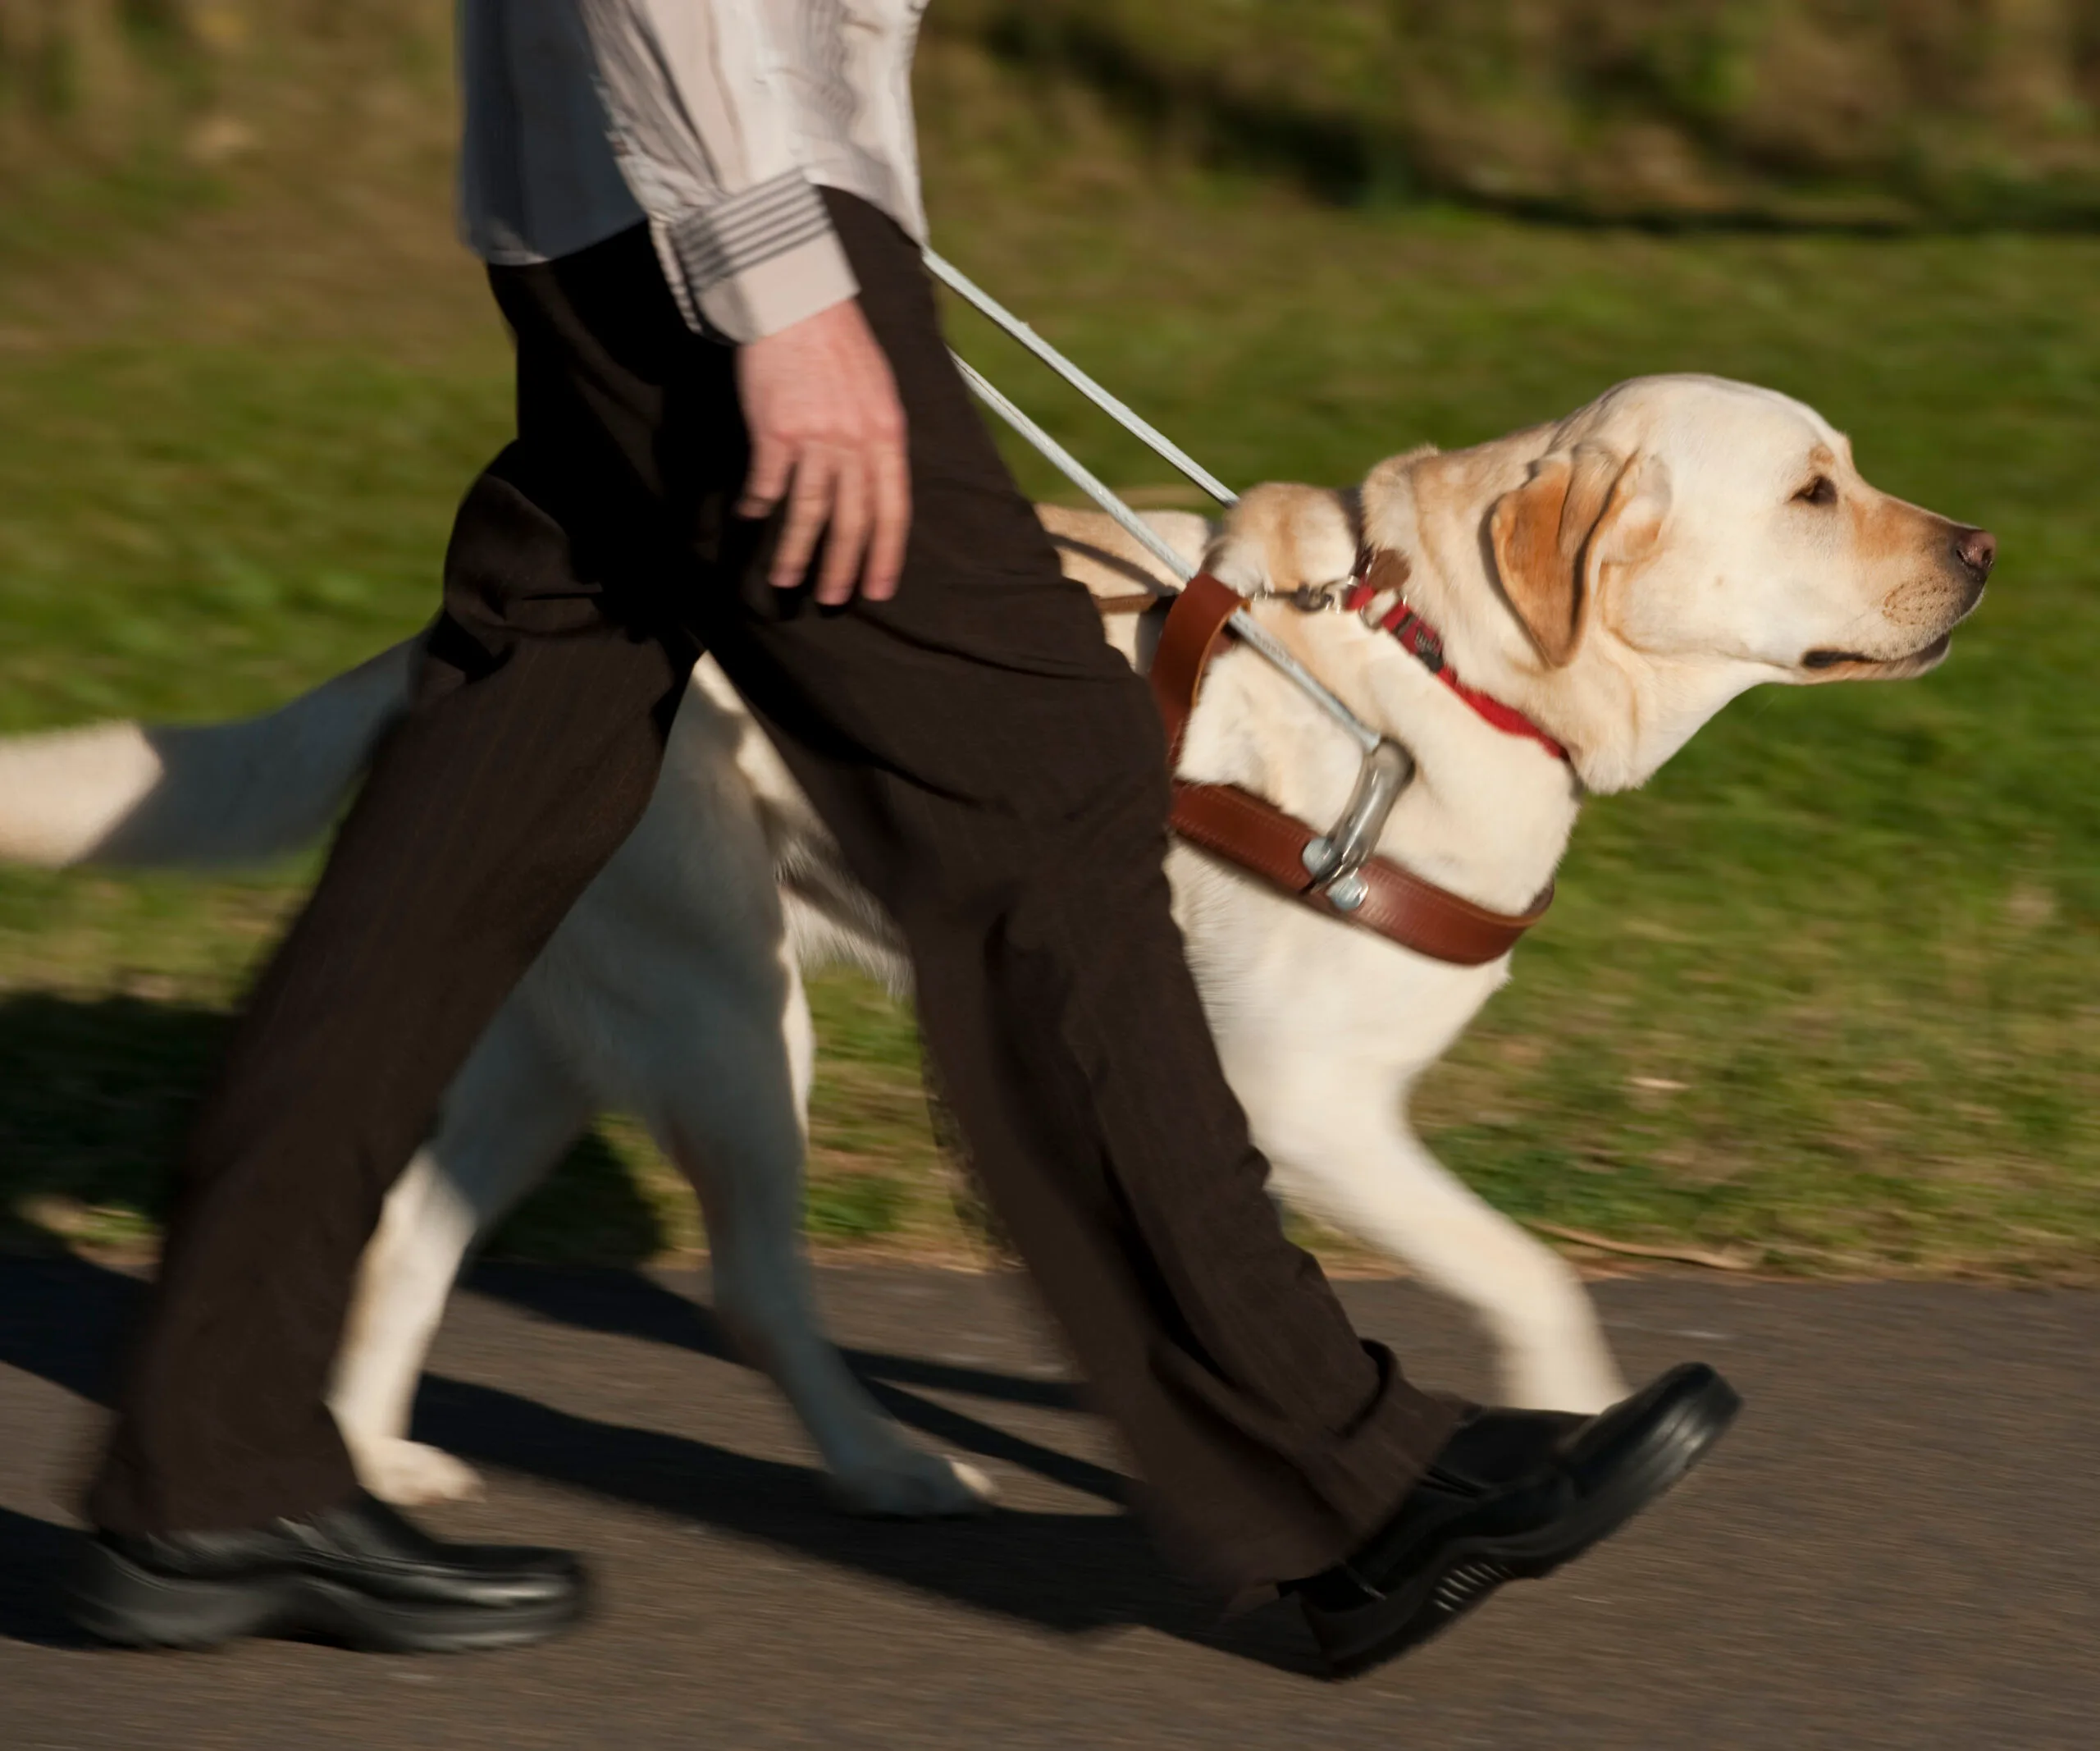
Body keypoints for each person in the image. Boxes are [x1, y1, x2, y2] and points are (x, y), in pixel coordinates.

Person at [62, 0, 1736, 1676]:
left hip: (623, 206)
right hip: (725, 224)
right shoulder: (753, 251)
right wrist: (779, 283)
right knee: (1046, 786)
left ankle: (206, 1466)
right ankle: (1340, 1477)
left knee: (476, 808)